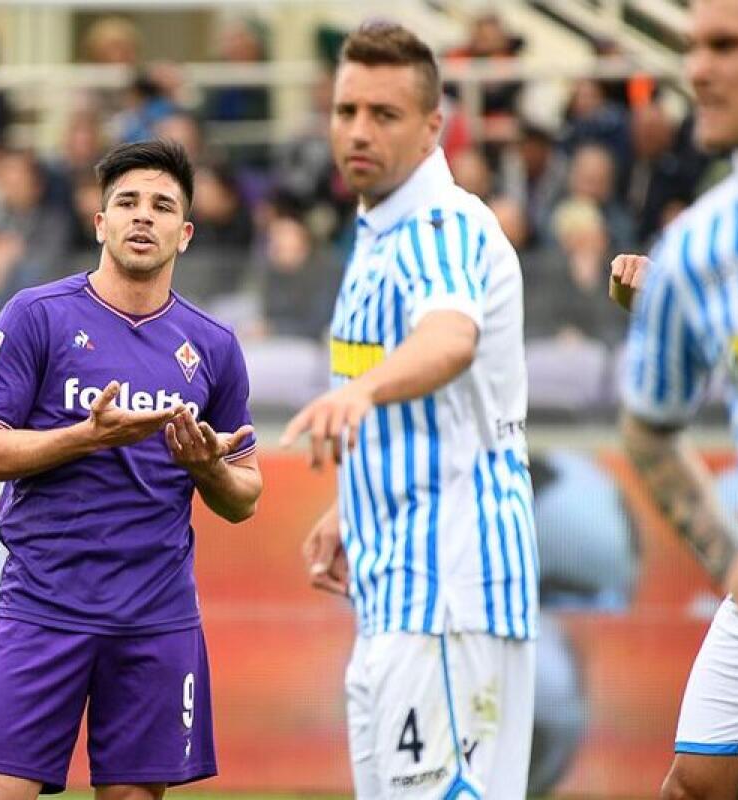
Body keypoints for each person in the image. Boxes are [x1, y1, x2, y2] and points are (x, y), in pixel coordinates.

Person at [0, 139, 262, 799]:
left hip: (155, 615)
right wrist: (84, 438)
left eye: (160, 206)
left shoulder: (213, 346)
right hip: (42, 606)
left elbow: (244, 497)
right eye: (126, 202)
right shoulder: (37, 316)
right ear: (100, 223)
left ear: (186, 233)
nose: (142, 217)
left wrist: (208, 469)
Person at [279, 22, 536, 798]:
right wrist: (350, 506)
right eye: (346, 109)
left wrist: (358, 392)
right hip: (398, 590)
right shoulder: (381, 232)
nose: (358, 131)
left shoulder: (438, 224)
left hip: (449, 595)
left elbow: (450, 338)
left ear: (434, 128)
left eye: (384, 115)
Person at [616, 1, 738, 797]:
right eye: (692, 47)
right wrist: (736, 573)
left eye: (727, 46)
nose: (697, 69)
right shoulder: (700, 248)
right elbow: (648, 434)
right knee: (693, 787)